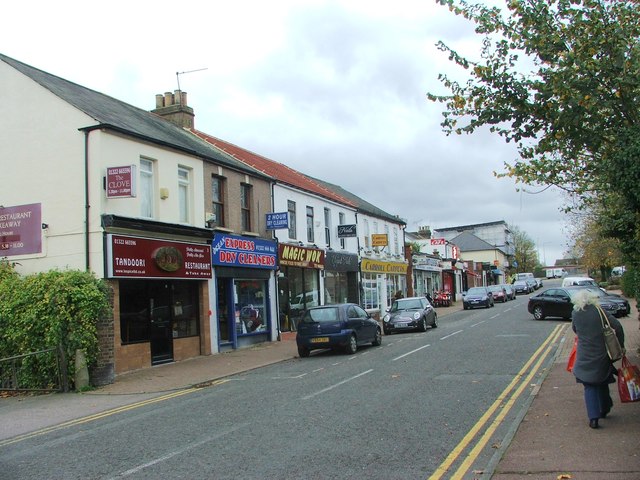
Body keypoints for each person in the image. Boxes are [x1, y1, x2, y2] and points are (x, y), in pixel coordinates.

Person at [571, 288, 625, 429]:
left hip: (584, 355)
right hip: (601, 353)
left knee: (589, 385)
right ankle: (605, 407)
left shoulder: (575, 313)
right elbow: (617, 327)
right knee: (601, 379)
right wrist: (621, 345)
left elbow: (575, 329)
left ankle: (593, 418)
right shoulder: (599, 311)